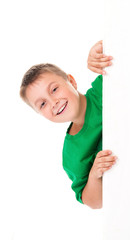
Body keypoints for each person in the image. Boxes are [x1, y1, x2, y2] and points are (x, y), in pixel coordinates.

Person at [20, 40, 117, 209]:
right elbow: (94, 202)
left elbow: (127, 50)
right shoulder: (71, 155)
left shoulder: (104, 87)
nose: (53, 102)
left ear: (71, 81)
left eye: (54, 89)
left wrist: (99, 50)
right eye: (42, 104)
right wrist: (94, 175)